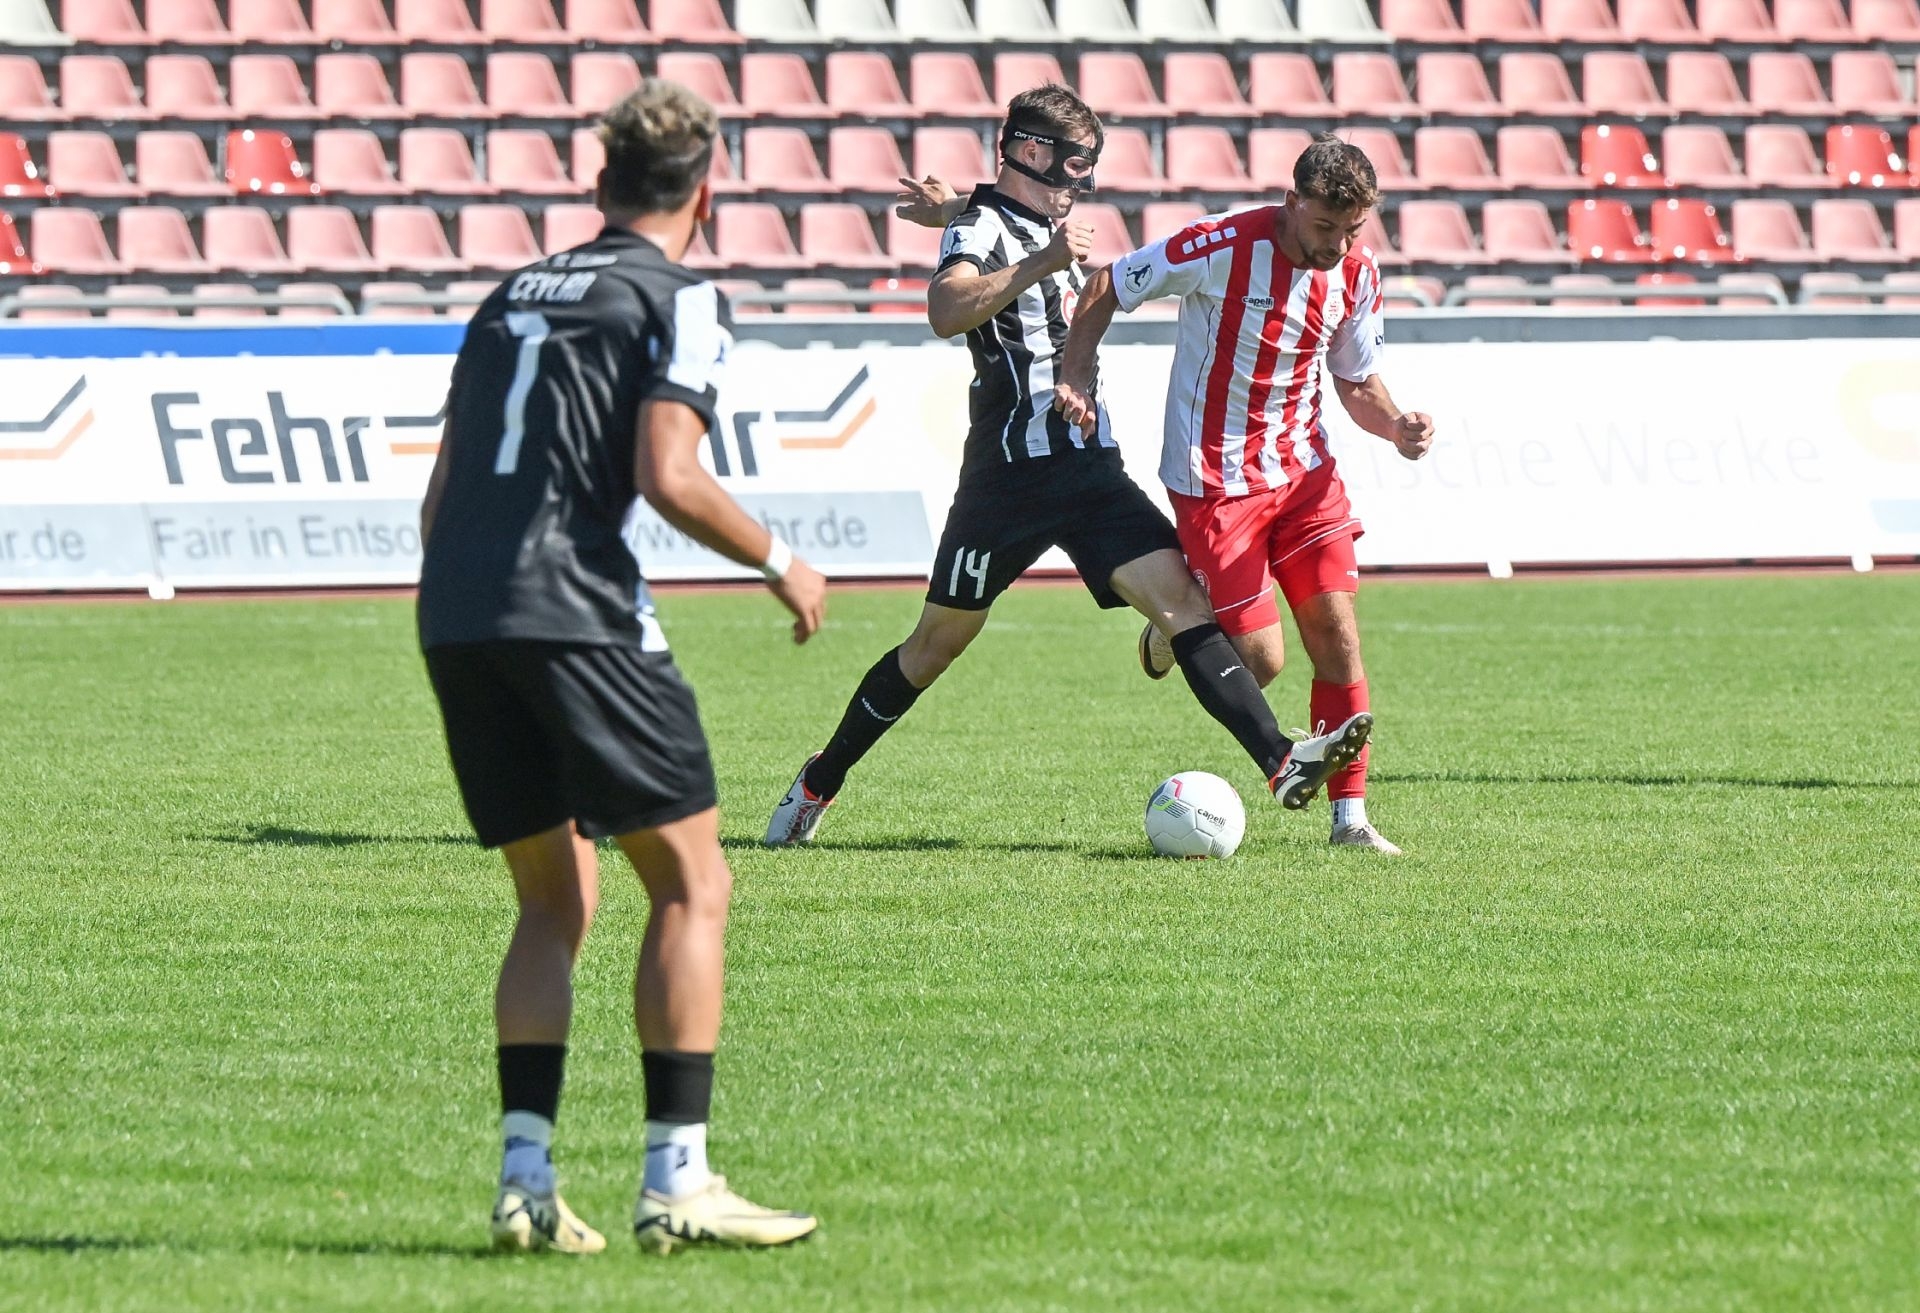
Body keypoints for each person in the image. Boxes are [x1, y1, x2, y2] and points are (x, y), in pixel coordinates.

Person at [417, 79, 825, 1255]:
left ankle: (526, 1179)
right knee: (693, 882)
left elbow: (441, 496)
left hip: (457, 613)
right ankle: (677, 1178)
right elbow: (669, 471)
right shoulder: (676, 294)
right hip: (577, 609)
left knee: (555, 899)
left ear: (600, 185)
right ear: (707, 193)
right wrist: (782, 559)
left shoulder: (506, 296)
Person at [764, 85, 1369, 849]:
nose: (1083, 181)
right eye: (1075, 164)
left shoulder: (1008, 217)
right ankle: (819, 781)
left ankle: (1280, 761)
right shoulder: (988, 229)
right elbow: (946, 309)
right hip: (1008, 478)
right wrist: (1033, 257)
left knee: (1185, 603)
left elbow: (999, 215)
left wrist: (962, 209)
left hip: (1088, 467)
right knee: (933, 648)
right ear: (1032, 151)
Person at [1054, 134, 1437, 855]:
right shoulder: (1221, 244)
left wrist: (1395, 426)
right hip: (1216, 483)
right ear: (1291, 203)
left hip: (1305, 477)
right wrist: (1075, 375)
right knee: (1260, 661)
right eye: (1325, 226)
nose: (1337, 245)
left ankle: (1350, 819)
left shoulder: (1357, 272)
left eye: (1352, 230)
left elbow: (1355, 378)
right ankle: (1171, 631)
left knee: (1338, 637)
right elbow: (1105, 285)